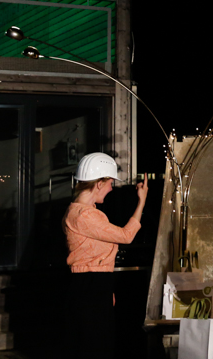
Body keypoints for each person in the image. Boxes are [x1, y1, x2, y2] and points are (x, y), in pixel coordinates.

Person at [63, 152, 148, 359]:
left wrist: (106, 288)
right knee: (95, 346)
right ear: (99, 183)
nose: (111, 188)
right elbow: (126, 236)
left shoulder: (83, 211)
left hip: (93, 283)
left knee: (96, 343)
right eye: (110, 182)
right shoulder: (85, 215)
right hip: (90, 284)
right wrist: (142, 202)